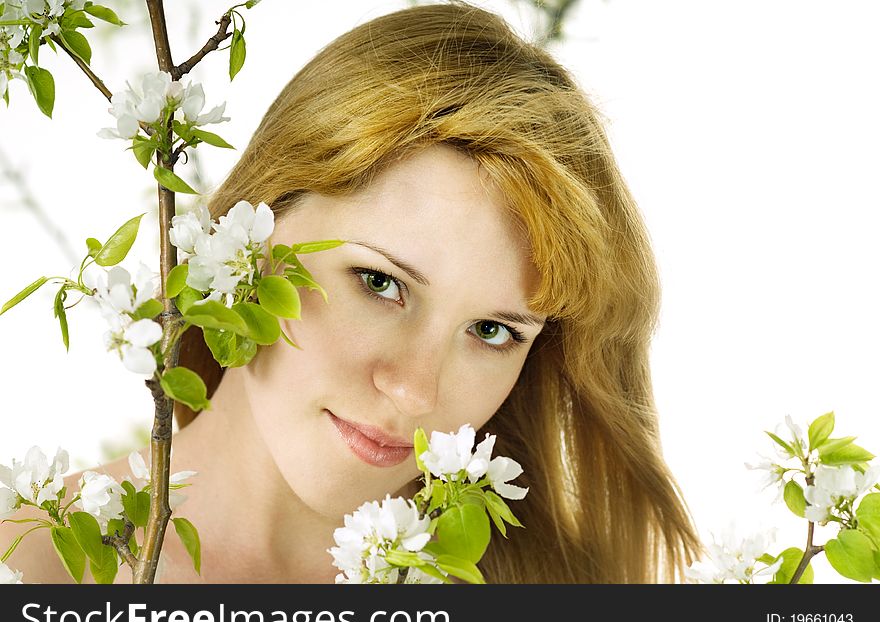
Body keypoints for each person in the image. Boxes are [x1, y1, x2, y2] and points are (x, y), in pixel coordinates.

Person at [1, 1, 702, 583]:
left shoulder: (558, 594)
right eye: (380, 283)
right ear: (254, 238)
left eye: (494, 331)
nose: (416, 393)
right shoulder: (24, 566)